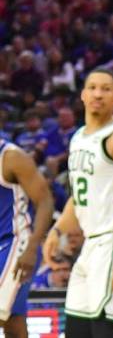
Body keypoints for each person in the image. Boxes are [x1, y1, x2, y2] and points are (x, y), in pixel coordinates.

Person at [42, 69, 113, 337]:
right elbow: (79, 197)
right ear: (82, 94)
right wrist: (57, 230)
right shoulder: (79, 137)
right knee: (77, 329)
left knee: (102, 330)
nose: (98, 94)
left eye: (106, 89)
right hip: (93, 243)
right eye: (92, 87)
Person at [0, 139, 54, 338]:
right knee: (14, 322)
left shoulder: (11, 157)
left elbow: (45, 200)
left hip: (15, 243)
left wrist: (32, 246)